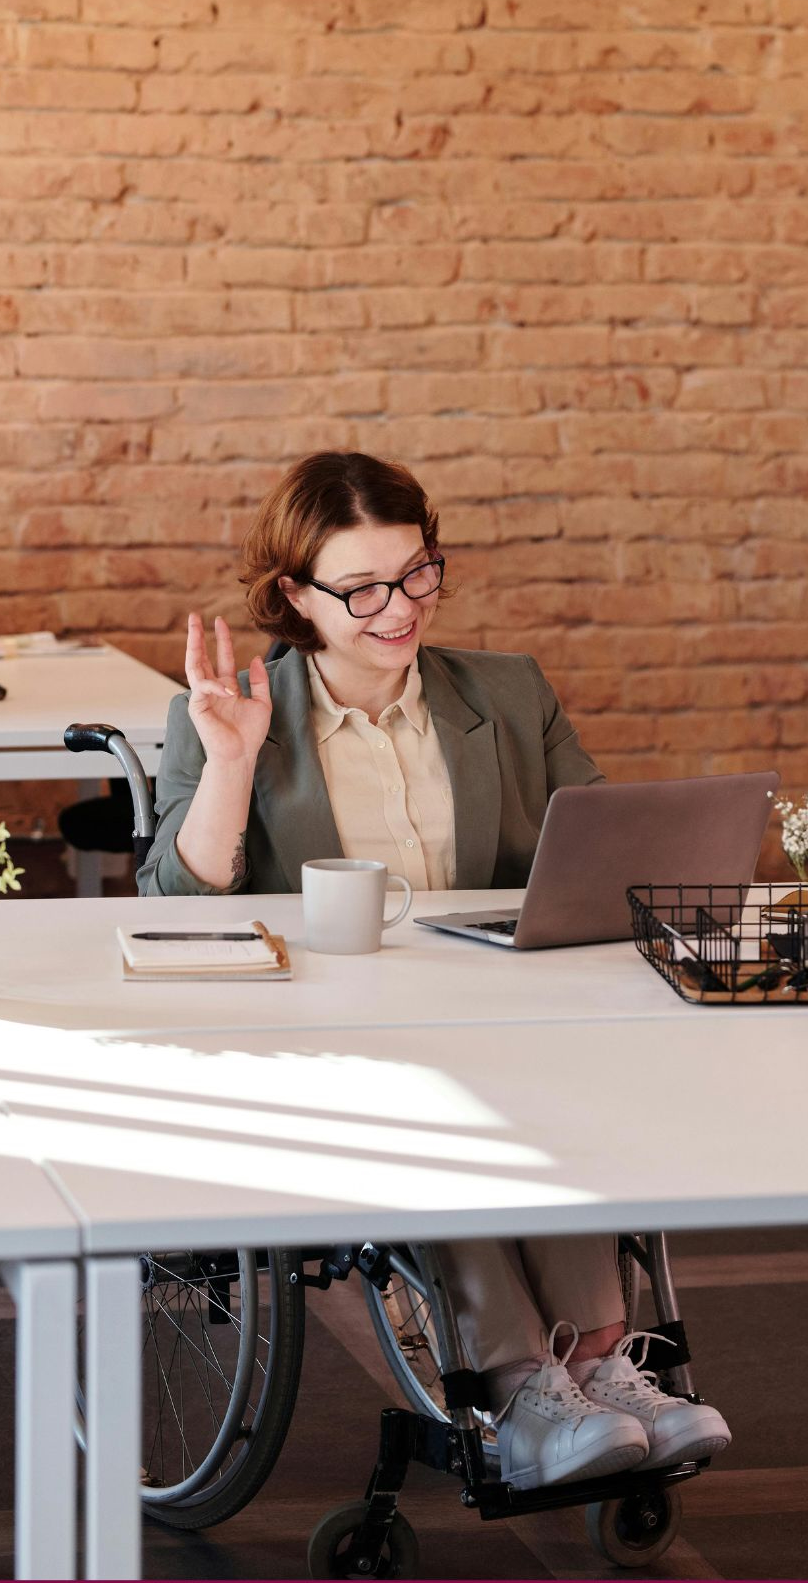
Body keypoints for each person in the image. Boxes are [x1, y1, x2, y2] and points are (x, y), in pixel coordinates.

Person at [141, 451, 732, 1489]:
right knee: (441, 1100)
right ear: (294, 594)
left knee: (557, 1082)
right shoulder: (234, 711)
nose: (396, 608)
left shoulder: (504, 694)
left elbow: (598, 854)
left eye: (415, 574)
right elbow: (176, 915)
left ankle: (601, 1364)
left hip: (501, 1015)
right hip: (333, 1041)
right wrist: (229, 766)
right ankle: (520, 1382)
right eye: (360, 588)